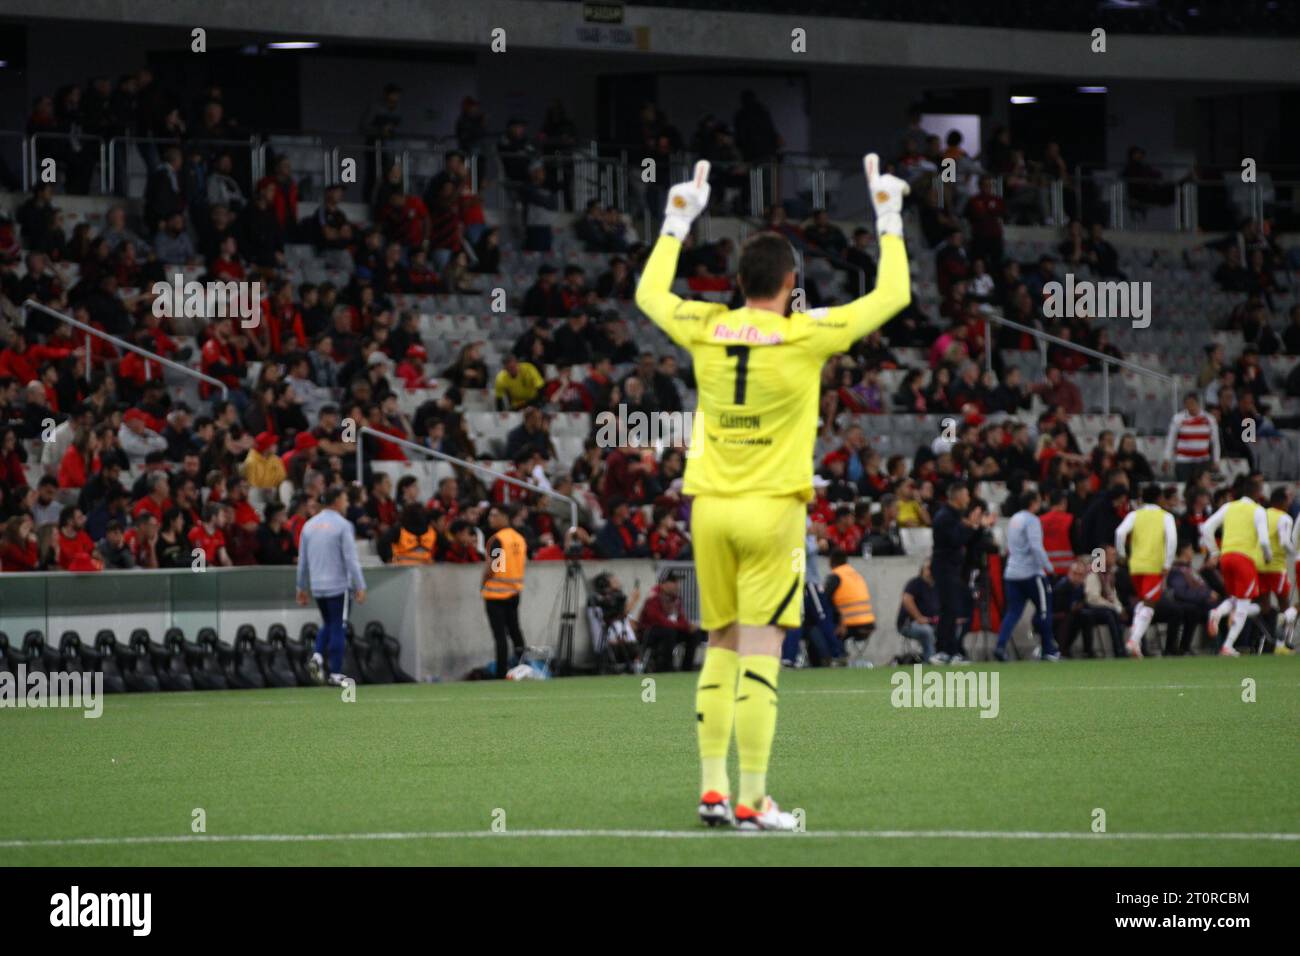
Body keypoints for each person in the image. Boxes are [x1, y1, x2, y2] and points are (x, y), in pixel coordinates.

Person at [635, 156, 910, 831]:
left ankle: (711, 789)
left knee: (720, 643)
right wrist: (888, 215)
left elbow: (647, 295)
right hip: (773, 513)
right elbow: (891, 297)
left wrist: (676, 220)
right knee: (762, 650)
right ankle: (754, 799)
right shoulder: (803, 334)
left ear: (737, 282)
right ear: (792, 284)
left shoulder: (705, 326)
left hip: (708, 510)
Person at [295, 485, 367, 686]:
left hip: (318, 586)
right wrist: (360, 585)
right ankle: (335, 673)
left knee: (329, 623)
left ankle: (317, 656)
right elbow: (351, 559)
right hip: (338, 585)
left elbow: (303, 561)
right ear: (336, 501)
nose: (347, 503)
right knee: (338, 626)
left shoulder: (309, 526)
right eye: (345, 499)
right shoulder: (343, 525)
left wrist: (300, 587)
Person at [1199, 479, 1271, 656]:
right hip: (1244, 559)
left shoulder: (1228, 507)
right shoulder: (1258, 510)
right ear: (1256, 494)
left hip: (1226, 557)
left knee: (1235, 598)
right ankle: (1227, 646)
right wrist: (1268, 556)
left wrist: (1215, 552)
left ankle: (1217, 612)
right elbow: (1263, 540)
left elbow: (1206, 527)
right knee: (1244, 604)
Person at [993, 490, 1058, 662]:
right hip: (1031, 573)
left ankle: (1000, 646)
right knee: (1044, 611)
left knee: (1013, 612)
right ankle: (1048, 649)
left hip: (1012, 573)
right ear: (1033, 503)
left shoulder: (1014, 519)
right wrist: (1049, 567)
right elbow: (1036, 546)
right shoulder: (1032, 520)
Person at [1114, 484, 1177, 658]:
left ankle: (1136, 643)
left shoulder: (1134, 515)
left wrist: (1121, 554)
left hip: (1135, 566)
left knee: (1143, 602)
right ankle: (1133, 641)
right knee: (1150, 603)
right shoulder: (1166, 517)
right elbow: (1171, 540)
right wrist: (1168, 563)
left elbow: (1120, 533)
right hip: (1153, 566)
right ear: (1160, 499)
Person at [481, 503, 528, 678]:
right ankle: (524, 667)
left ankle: (501, 673)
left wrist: (483, 582)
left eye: (494, 515)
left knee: (500, 637)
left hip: (495, 594)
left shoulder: (498, 539)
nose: (490, 518)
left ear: (504, 517)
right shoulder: (519, 538)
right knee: (516, 632)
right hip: (514, 593)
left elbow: (494, 566)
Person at [824, 547, 875, 658]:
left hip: (850, 625)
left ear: (831, 561)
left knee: (824, 627)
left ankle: (838, 656)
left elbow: (824, 600)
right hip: (869, 624)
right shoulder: (856, 575)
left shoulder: (835, 576)